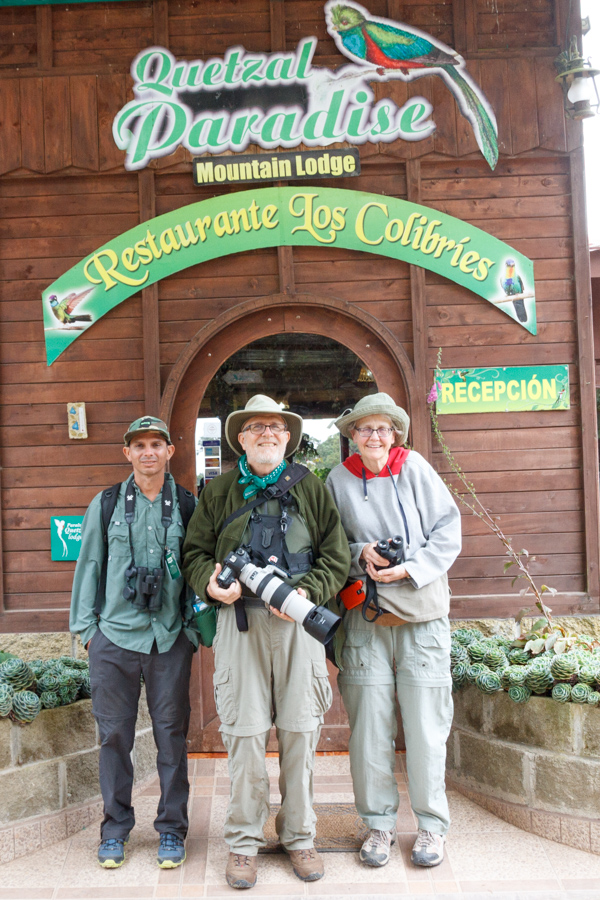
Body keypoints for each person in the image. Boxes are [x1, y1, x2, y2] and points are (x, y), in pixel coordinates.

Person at [182, 395, 350, 890]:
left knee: (300, 731)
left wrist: (307, 592)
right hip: (239, 626)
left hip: (298, 627)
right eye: (256, 427)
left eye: (275, 428)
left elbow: (335, 556)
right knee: (244, 735)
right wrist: (210, 584)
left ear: (288, 437)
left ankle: (299, 836)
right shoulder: (219, 493)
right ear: (240, 438)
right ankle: (243, 842)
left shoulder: (312, 488)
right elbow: (194, 552)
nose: (267, 435)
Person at [325, 393, 461, 869]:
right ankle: (378, 824)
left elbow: (448, 529)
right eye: (365, 429)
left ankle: (430, 826)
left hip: (421, 615)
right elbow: (329, 542)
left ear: (395, 434)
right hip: (364, 617)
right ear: (352, 436)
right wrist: (362, 552)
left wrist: (410, 568)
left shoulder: (417, 469)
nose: (375, 437)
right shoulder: (338, 479)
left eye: (383, 429)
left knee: (426, 723)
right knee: (368, 728)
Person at [70, 416, 198, 870]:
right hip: (114, 639)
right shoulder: (105, 504)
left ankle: (171, 830)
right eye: (139, 445)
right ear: (127, 453)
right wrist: (87, 632)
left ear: (169, 452)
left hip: (168, 641)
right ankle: (115, 830)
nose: (148, 452)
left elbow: (199, 570)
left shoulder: (186, 504)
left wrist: (194, 629)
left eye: (156, 444)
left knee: (172, 740)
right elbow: (88, 567)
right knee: (114, 739)